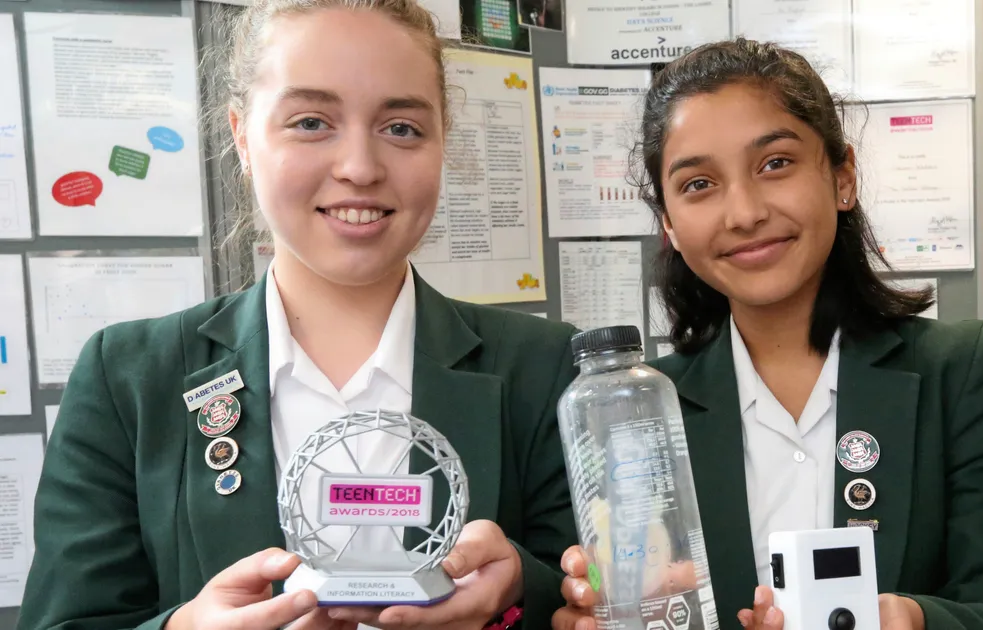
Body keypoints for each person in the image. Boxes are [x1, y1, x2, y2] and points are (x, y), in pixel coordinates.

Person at [18, 2, 578, 629]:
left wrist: (520, 595)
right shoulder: (128, 379)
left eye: (402, 128)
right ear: (241, 137)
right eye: (311, 122)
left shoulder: (546, 368)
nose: (360, 168)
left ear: (443, 141)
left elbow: (596, 592)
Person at [551, 39, 983, 630]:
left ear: (843, 176)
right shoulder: (639, 415)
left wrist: (912, 622)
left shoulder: (958, 370)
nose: (743, 212)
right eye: (699, 184)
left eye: (775, 164)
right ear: (668, 222)